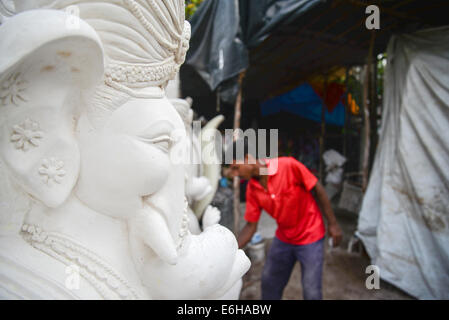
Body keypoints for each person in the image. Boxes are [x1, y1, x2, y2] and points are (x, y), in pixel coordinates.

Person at [229, 139, 342, 300]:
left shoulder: (288, 166)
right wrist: (231, 251)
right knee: (269, 283)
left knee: (311, 291)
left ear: (248, 159)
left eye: (236, 167)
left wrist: (333, 224)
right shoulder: (252, 189)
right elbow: (250, 226)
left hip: (311, 236)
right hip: (284, 237)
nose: (234, 174)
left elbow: (318, 189)